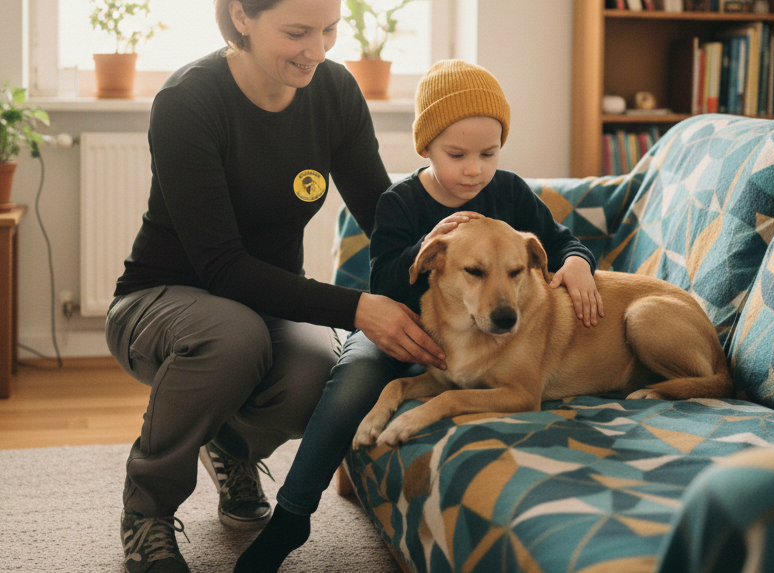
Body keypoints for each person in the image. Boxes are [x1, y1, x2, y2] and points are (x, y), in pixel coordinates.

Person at [105, 0, 446, 573]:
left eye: (329, 29)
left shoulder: (335, 91)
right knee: (235, 336)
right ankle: (145, 509)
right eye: (297, 31)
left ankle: (231, 445)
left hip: (262, 307)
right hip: (160, 302)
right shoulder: (188, 101)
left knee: (324, 369)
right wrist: (360, 307)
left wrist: (449, 249)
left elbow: (383, 211)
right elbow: (221, 266)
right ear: (241, 15)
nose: (316, 49)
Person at [234, 59, 603, 573]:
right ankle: (293, 512)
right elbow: (384, 284)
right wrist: (425, 248)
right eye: (457, 154)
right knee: (353, 377)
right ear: (426, 147)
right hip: (401, 329)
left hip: (472, 345)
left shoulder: (510, 193)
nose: (474, 169)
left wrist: (580, 263)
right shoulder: (401, 201)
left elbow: (562, 242)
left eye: (488, 153)